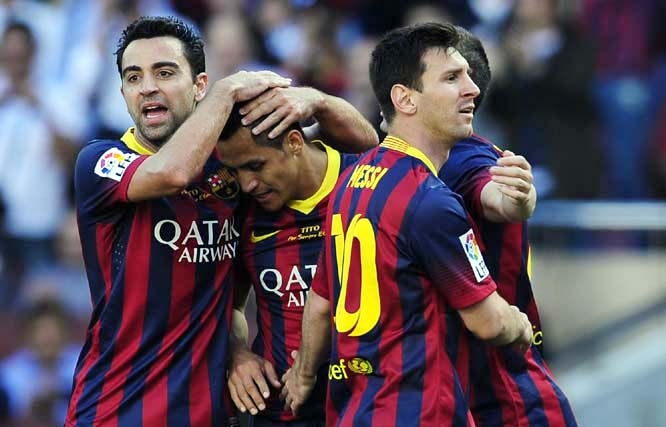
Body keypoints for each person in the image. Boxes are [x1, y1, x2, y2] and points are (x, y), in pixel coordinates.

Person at [281, 22, 533, 427]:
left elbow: (321, 303)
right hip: (419, 413)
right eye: (452, 78)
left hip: (354, 411)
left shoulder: (350, 182)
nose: (472, 89)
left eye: (468, 77)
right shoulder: (430, 201)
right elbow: (488, 321)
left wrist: (305, 375)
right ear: (405, 99)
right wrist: (518, 324)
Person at [66, 16, 294, 427]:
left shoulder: (231, 174)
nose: (148, 87)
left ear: (198, 85)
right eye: (134, 78)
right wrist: (227, 92)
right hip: (116, 408)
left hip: (207, 412)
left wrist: (238, 350)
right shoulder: (101, 163)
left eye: (165, 72)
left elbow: (232, 301)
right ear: (123, 94)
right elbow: (171, 173)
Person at [437, 26, 578, 426]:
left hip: (504, 398)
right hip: (453, 389)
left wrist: (517, 198)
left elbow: (496, 195)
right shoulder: (398, 168)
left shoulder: (467, 160)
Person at [219, 88, 377, 427]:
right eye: (235, 171)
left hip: (368, 404)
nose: (246, 183)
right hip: (283, 412)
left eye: (255, 165)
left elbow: (372, 140)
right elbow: (230, 305)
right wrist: (237, 353)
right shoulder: (242, 213)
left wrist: (318, 100)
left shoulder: (363, 186)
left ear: (294, 142)